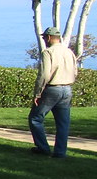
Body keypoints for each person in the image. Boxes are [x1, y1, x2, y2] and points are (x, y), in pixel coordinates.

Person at [29, 26, 78, 158]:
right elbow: (75, 71)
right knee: (63, 123)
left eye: (45, 37)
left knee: (35, 118)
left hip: (52, 89)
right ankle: (60, 152)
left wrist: (37, 93)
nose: (44, 40)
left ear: (49, 37)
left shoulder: (48, 52)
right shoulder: (69, 51)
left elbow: (44, 74)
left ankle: (43, 148)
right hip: (67, 89)